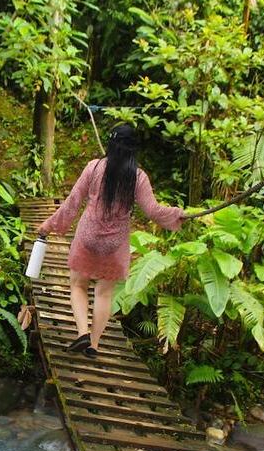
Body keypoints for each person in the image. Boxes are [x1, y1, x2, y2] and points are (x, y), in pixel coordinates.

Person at [37, 124, 186, 357]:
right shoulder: (138, 177)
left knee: (77, 285)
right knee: (104, 293)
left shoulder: (94, 167)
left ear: (111, 143)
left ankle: (82, 333)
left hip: (88, 236)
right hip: (114, 244)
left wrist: (49, 224)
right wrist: (177, 214)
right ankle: (94, 346)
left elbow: (73, 202)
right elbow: (153, 211)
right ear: (133, 148)